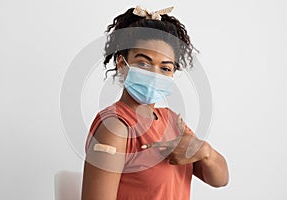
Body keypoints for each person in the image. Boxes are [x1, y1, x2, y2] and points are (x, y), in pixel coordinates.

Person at [81, 6, 229, 200]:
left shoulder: (172, 121)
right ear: (121, 63)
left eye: (165, 68)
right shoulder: (115, 128)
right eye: (143, 63)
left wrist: (204, 151)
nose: (154, 74)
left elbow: (220, 180)